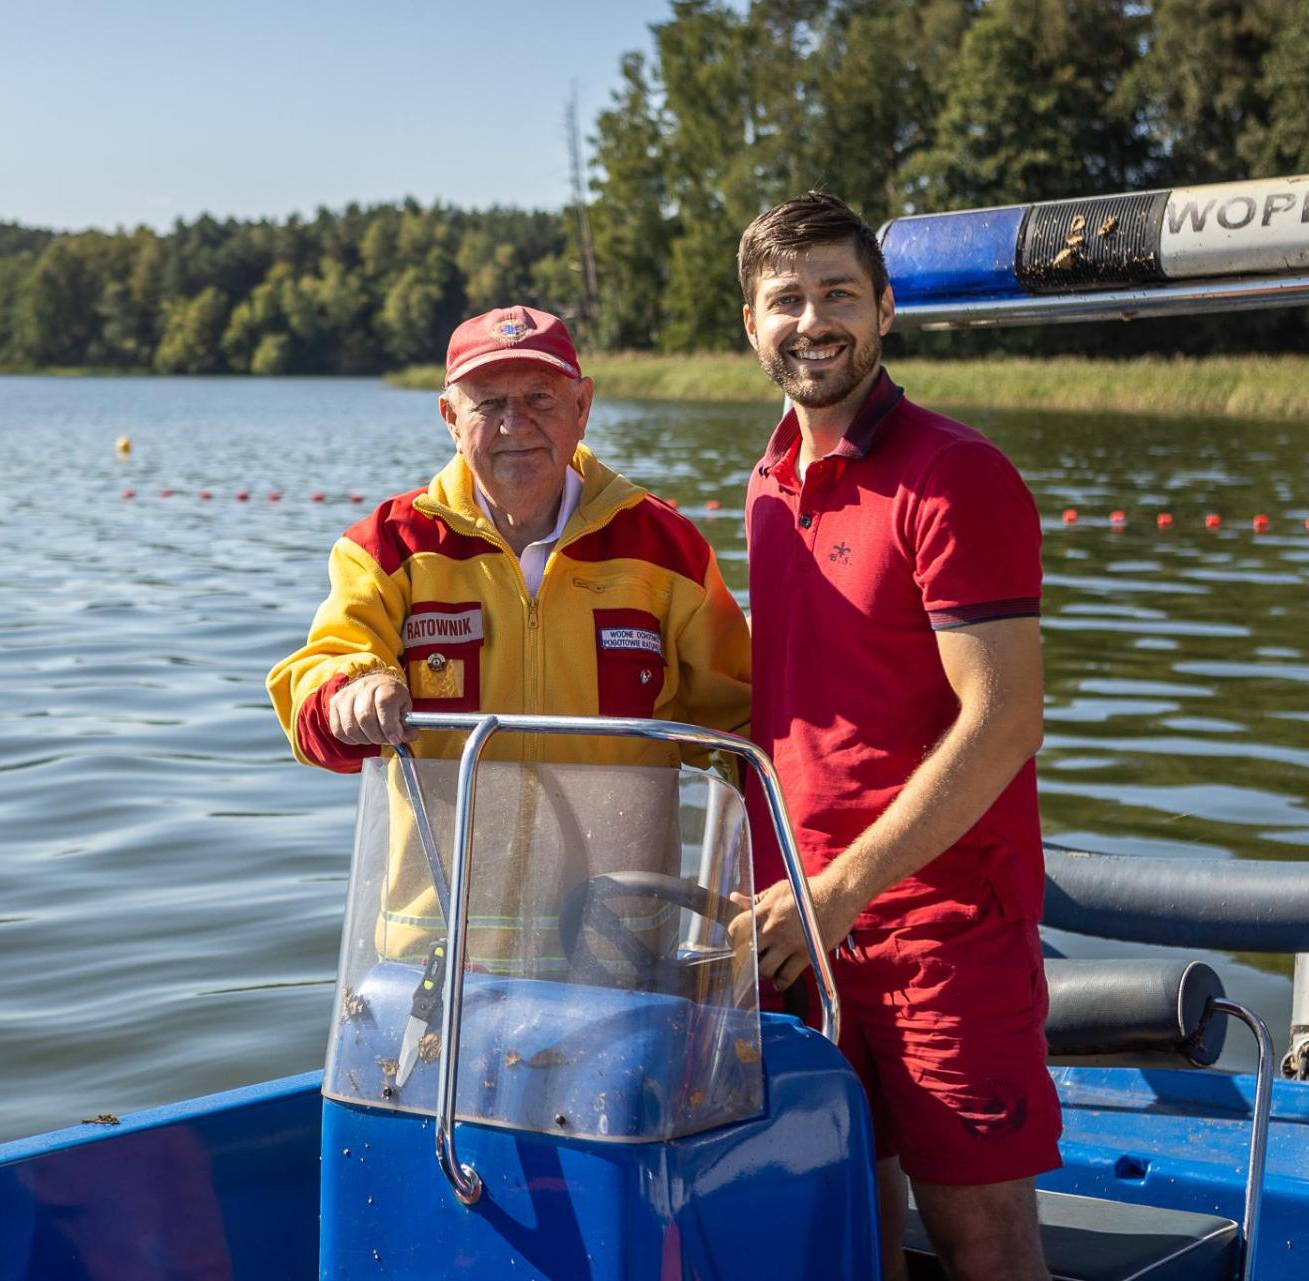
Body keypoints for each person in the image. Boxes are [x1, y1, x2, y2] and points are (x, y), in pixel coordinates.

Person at [733, 193, 1055, 1281]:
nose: (812, 321)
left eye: (837, 295)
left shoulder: (954, 475)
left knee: (983, 1241)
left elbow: (1005, 718)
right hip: (796, 926)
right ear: (751, 325)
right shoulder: (769, 484)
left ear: (884, 311)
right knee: (841, 1226)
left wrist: (848, 884)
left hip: (940, 929)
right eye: (787, 299)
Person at [267, 306, 753, 962]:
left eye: (539, 398)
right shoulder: (386, 547)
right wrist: (352, 689)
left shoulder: (666, 549)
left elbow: (747, 731)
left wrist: (779, 877)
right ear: (449, 417)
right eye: (489, 401)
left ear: (582, 406)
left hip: (615, 954)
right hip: (437, 963)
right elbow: (312, 690)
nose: (514, 424)